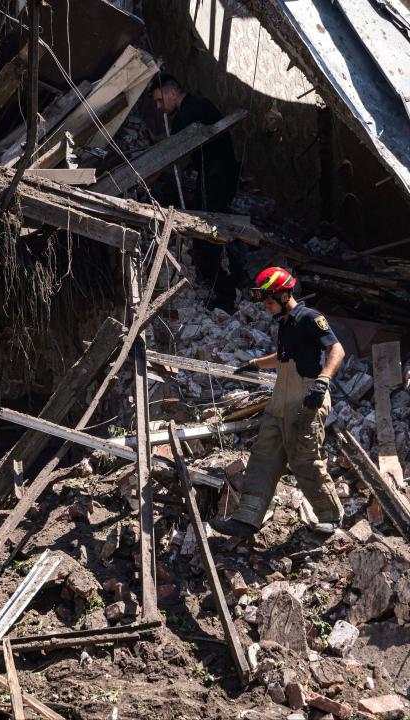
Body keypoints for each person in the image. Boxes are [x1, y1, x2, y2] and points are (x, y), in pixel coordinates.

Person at [210, 266, 345, 538]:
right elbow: (284, 357)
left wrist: (323, 381)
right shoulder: (285, 323)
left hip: (307, 396)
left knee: (303, 458)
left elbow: (336, 349)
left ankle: (330, 517)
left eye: (269, 301)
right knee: (264, 456)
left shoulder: (310, 317)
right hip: (280, 398)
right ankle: (246, 520)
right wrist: (254, 364)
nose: (266, 306)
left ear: (284, 295)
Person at [151, 74, 244, 313]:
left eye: (161, 100)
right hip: (218, 175)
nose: (159, 107)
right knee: (213, 230)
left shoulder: (189, 112)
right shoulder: (200, 106)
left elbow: (173, 148)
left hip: (215, 177)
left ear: (172, 93)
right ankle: (231, 282)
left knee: (208, 234)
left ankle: (225, 295)